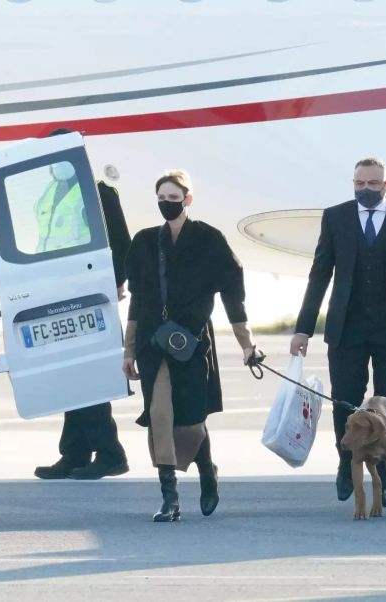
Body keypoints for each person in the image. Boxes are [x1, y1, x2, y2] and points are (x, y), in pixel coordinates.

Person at [290, 157, 386, 505]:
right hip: (347, 328)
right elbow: (319, 275)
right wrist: (303, 329)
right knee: (344, 400)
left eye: (372, 184)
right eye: (359, 184)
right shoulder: (335, 217)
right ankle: (347, 463)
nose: (365, 190)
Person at [122, 169, 259, 522]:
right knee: (160, 414)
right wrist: (129, 349)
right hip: (154, 342)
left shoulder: (209, 240)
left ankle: (207, 472)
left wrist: (247, 344)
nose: (167, 204)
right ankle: (170, 498)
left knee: (191, 419)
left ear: (188, 199)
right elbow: (137, 300)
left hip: (192, 342)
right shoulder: (144, 241)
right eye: (162, 198)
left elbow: (233, 295)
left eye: (173, 197)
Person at [34, 128, 130, 480]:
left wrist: (114, 284)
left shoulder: (100, 193)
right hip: (58, 296)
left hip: (90, 298)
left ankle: (110, 453)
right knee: (69, 376)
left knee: (90, 376)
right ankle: (74, 454)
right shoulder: (49, 193)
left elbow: (122, 242)